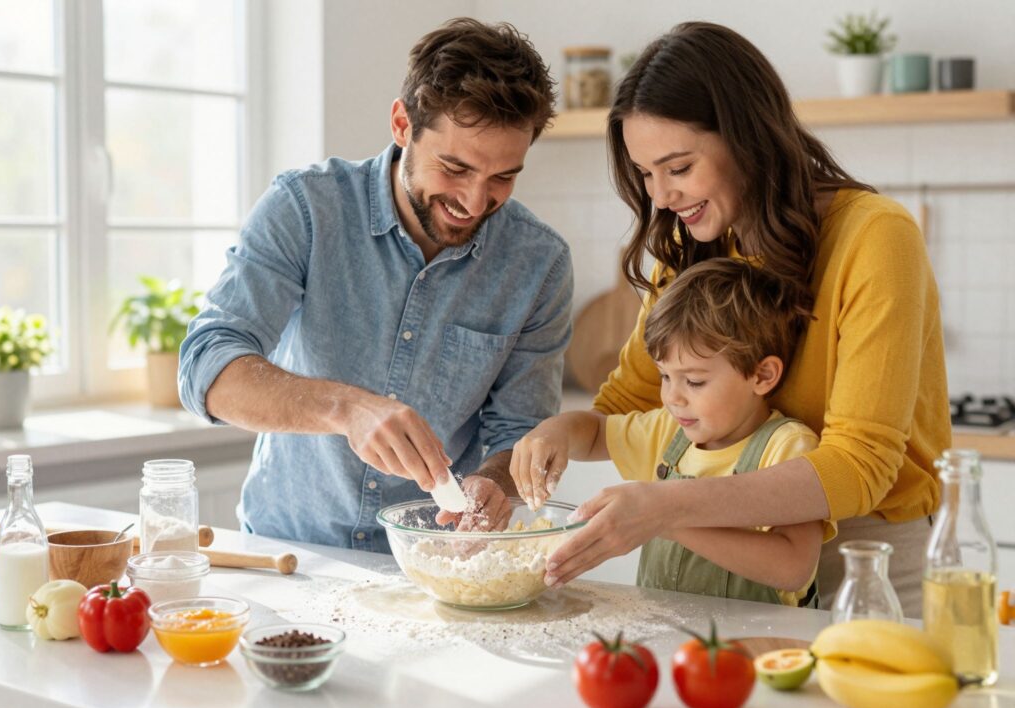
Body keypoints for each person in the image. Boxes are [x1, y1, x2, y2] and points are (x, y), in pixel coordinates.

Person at [524, 21, 950, 617]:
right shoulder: (691, 247)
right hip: (720, 561)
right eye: (646, 174)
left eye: (678, 168)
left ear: (748, 137)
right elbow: (624, 408)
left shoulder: (875, 237)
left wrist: (669, 507)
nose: (660, 197)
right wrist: (553, 435)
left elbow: (860, 466)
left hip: (865, 559)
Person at [178, 18, 573, 552]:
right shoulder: (306, 208)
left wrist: (495, 483)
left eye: (503, 177)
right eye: (454, 168)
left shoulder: (539, 263)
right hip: (289, 552)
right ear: (402, 124)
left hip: (429, 564)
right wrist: (346, 409)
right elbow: (206, 366)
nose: (475, 202)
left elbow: (520, 432)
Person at [513, 258, 831, 606]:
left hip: (761, 639)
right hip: (664, 632)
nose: (672, 397)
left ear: (762, 375)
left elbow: (793, 567)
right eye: (665, 376)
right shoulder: (668, 432)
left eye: (694, 381)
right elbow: (594, 434)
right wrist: (553, 431)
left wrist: (663, 518)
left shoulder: (788, 447)